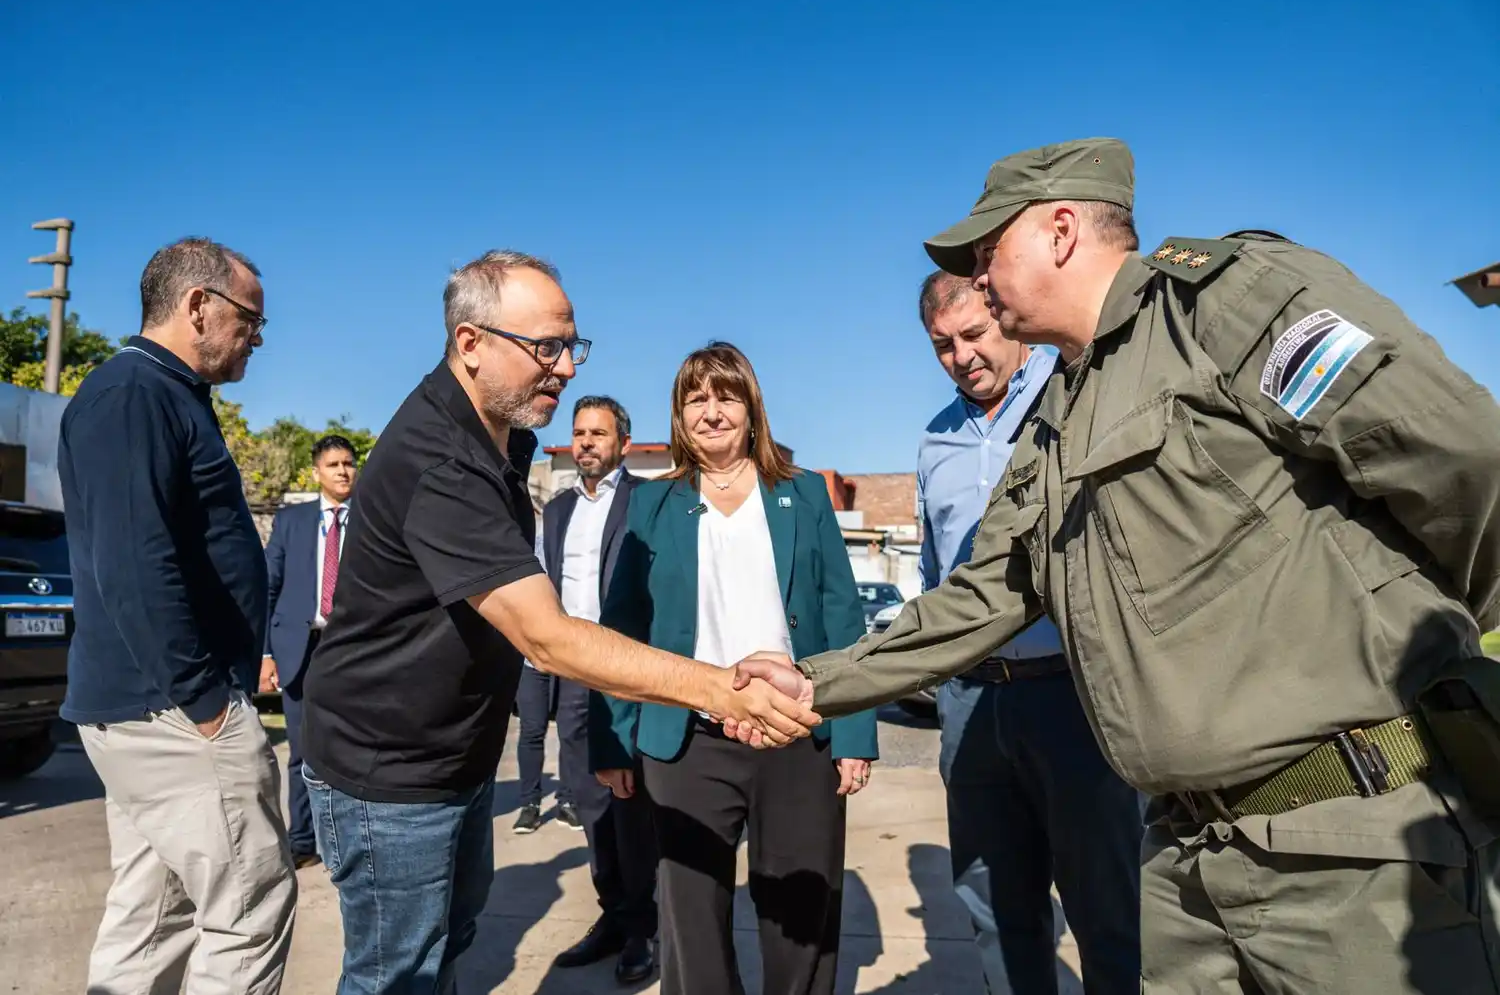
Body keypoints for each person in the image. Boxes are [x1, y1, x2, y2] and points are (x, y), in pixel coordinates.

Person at [734, 137, 1500, 994]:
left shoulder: (1224, 302)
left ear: (1061, 230)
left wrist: (1439, 637)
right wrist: (816, 683)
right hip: (1185, 858)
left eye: (990, 253)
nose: (979, 279)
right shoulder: (1059, 414)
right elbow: (983, 594)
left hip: (1343, 845)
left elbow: (1462, 460)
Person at [297, 251, 819, 994]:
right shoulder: (440, 459)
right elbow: (547, 634)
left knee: (445, 950)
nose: (568, 367)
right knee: (395, 976)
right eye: (546, 347)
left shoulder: (497, 437)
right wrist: (723, 688)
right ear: (471, 344)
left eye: (573, 345)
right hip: (389, 775)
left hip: (452, 762)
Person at [592, 341, 879, 995]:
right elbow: (621, 629)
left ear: (752, 409)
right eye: (697, 398)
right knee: (690, 917)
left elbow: (843, 617)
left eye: (726, 396)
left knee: (800, 916)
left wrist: (855, 736)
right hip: (686, 743)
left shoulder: (802, 493)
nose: (712, 410)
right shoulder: (652, 504)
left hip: (796, 734)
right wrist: (611, 738)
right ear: (678, 413)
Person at [57, 237, 296, 995]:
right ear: (199, 305)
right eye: (251, 320)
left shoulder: (161, 393)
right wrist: (205, 706)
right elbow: (133, 565)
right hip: (171, 713)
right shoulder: (134, 393)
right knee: (249, 911)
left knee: (152, 916)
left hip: (153, 708)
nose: (256, 337)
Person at [915, 269, 1141, 994]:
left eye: (974, 334)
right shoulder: (935, 442)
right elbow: (935, 574)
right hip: (973, 703)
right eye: (942, 345)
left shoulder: (1074, 395)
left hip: (1073, 696)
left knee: (1109, 906)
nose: (961, 356)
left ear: (1004, 316)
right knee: (993, 905)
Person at [535, 395, 660, 983]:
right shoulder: (556, 510)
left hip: (628, 673)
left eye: (598, 434)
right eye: (579, 433)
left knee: (632, 805)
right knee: (589, 806)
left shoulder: (648, 501)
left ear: (623, 444)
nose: (586, 443)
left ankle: (643, 928)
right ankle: (613, 914)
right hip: (573, 675)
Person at [260, 433, 360, 869]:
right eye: (334, 464)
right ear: (317, 472)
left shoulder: (373, 519)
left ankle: (352, 839)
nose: (343, 471)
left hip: (351, 652)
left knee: (352, 748)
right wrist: (265, 654)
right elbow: (267, 587)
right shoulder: (292, 521)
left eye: (349, 463)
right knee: (301, 750)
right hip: (299, 648)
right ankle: (302, 841)